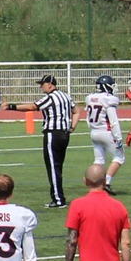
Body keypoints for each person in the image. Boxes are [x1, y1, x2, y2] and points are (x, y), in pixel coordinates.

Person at [26, 74, 75, 208]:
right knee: (57, 166)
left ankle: (58, 199)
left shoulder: (51, 97)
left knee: (53, 167)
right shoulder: (65, 96)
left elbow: (33, 107)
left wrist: (11, 106)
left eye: (43, 84)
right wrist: (72, 127)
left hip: (53, 134)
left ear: (50, 85)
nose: (41, 87)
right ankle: (58, 197)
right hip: (64, 134)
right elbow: (76, 111)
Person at [86, 74, 125, 190]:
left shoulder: (90, 97)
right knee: (119, 157)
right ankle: (106, 182)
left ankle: (94, 182)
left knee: (99, 160)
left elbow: (88, 119)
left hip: (94, 132)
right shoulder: (109, 99)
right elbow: (113, 121)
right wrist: (118, 137)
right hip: (106, 132)